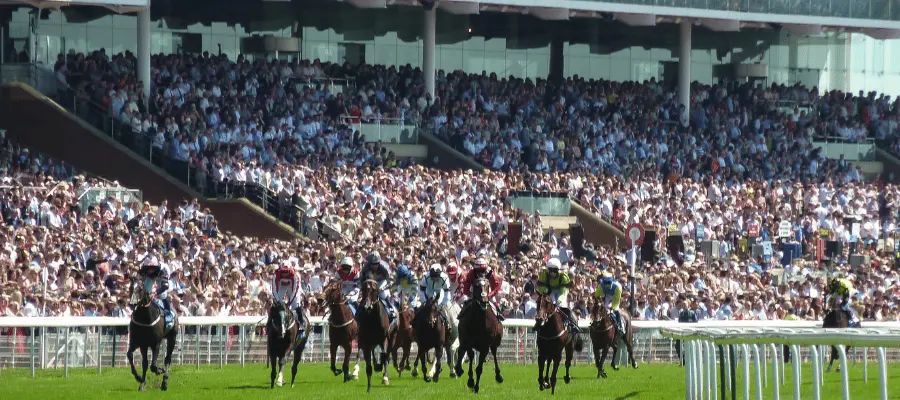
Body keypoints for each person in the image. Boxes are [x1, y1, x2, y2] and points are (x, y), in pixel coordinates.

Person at [536, 258, 579, 334]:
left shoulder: (563, 276)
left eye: (554, 271)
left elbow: (563, 290)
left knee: (561, 304)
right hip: (550, 290)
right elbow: (541, 286)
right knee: (546, 303)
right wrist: (546, 291)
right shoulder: (544, 274)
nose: (552, 273)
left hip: (561, 291)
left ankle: (571, 324)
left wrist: (559, 300)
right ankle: (539, 321)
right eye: (550, 270)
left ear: (558, 270)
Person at [137, 251, 175, 331]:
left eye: (152, 268)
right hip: (147, 295)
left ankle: (168, 319)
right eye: (148, 268)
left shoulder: (163, 270)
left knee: (164, 301)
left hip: (160, 295)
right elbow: (139, 282)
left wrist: (155, 293)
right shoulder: (142, 271)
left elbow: (165, 285)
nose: (150, 270)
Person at [459, 257, 504, 322]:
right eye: (478, 271)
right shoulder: (471, 273)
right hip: (474, 291)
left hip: (488, 291)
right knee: (466, 303)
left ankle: (499, 315)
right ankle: (461, 315)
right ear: (475, 269)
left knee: (494, 302)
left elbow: (496, 288)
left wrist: (489, 296)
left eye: (483, 270)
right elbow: (466, 288)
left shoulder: (491, 273)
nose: (480, 273)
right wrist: (472, 294)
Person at [272, 262, 307, 340]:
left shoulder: (296, 275)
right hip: (281, 285)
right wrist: (278, 302)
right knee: (275, 304)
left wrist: (289, 303)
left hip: (292, 286)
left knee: (296, 305)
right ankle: (270, 323)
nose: (284, 274)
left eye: (286, 272)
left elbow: (295, 291)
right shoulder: (276, 274)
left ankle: (301, 325)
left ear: (290, 270)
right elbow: (274, 290)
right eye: (283, 272)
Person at [360, 252, 395, 321]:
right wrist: (363, 289)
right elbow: (361, 280)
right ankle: (359, 312)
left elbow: (391, 281)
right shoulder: (365, 267)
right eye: (372, 264)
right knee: (366, 296)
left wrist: (382, 288)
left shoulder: (384, 266)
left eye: (376, 264)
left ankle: (391, 310)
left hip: (382, 282)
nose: (374, 266)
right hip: (370, 282)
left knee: (383, 295)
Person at [418, 263, 452, 332]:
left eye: (436, 276)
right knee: (420, 308)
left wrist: (442, 305)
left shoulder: (445, 278)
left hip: (440, 292)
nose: (434, 278)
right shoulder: (426, 277)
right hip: (428, 291)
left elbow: (447, 295)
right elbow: (421, 291)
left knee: (446, 308)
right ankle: (415, 324)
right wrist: (424, 301)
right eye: (432, 276)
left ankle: (447, 323)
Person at [596, 272, 624, 338]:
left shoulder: (617, 286)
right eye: (605, 282)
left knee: (616, 310)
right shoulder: (601, 285)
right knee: (601, 309)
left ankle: (620, 326)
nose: (606, 284)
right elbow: (597, 295)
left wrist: (612, 308)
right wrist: (600, 302)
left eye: (608, 282)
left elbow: (617, 300)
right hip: (607, 296)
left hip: (615, 297)